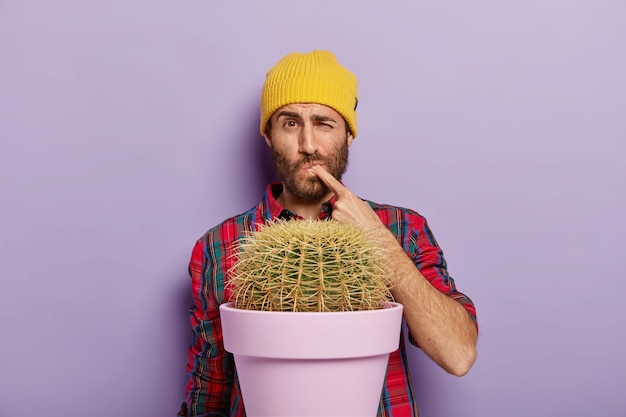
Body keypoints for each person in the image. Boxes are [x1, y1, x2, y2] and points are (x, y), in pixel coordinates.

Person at [179, 50, 478, 417]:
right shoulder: (218, 245)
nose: (308, 144)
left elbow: (459, 354)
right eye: (290, 123)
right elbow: (209, 390)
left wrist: (378, 238)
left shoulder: (403, 228)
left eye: (324, 123)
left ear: (348, 135)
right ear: (269, 136)